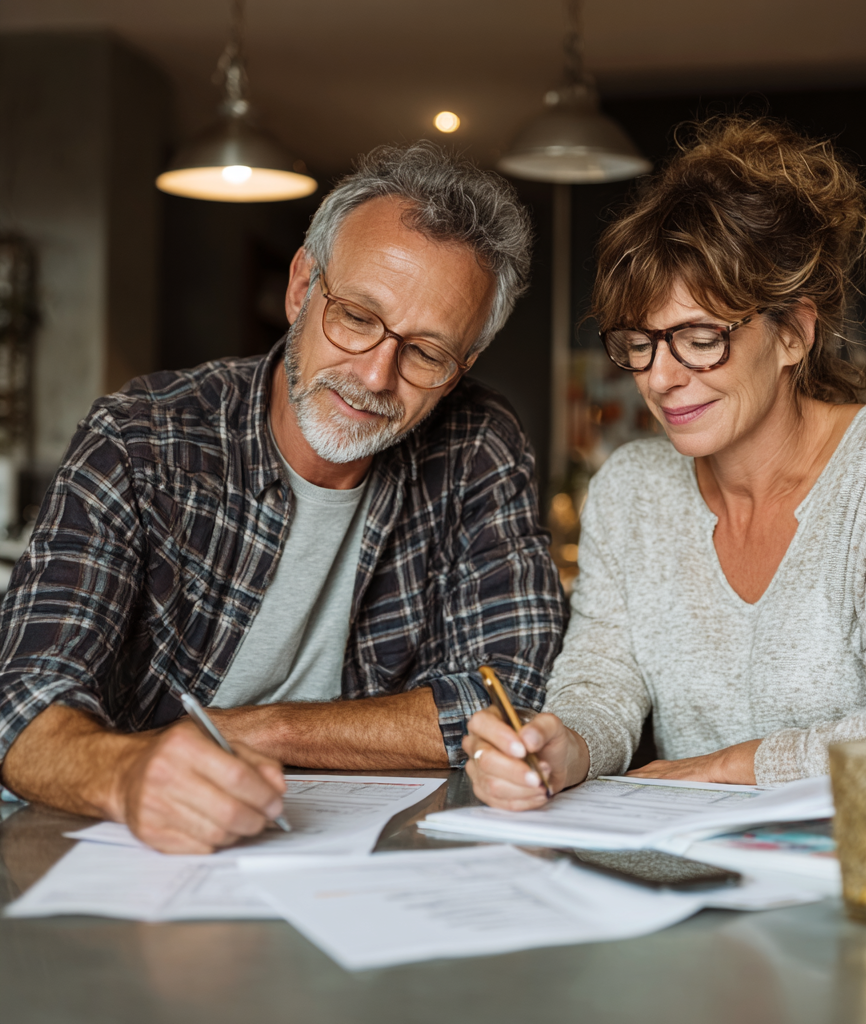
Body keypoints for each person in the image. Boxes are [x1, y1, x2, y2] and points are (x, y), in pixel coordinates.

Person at [0, 142, 566, 851]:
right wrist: (127, 774)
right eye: (357, 316)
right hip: (140, 848)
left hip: (366, 857)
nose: (375, 375)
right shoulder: (142, 437)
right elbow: (22, 706)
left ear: (462, 367)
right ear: (303, 285)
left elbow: (510, 695)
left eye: (426, 353)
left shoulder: (478, 444)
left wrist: (263, 728)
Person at [464, 115, 866, 810]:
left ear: (794, 334)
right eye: (641, 342)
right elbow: (600, 689)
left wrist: (710, 769)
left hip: (857, 859)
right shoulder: (631, 490)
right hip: (691, 867)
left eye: (700, 338)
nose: (660, 378)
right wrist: (560, 746)